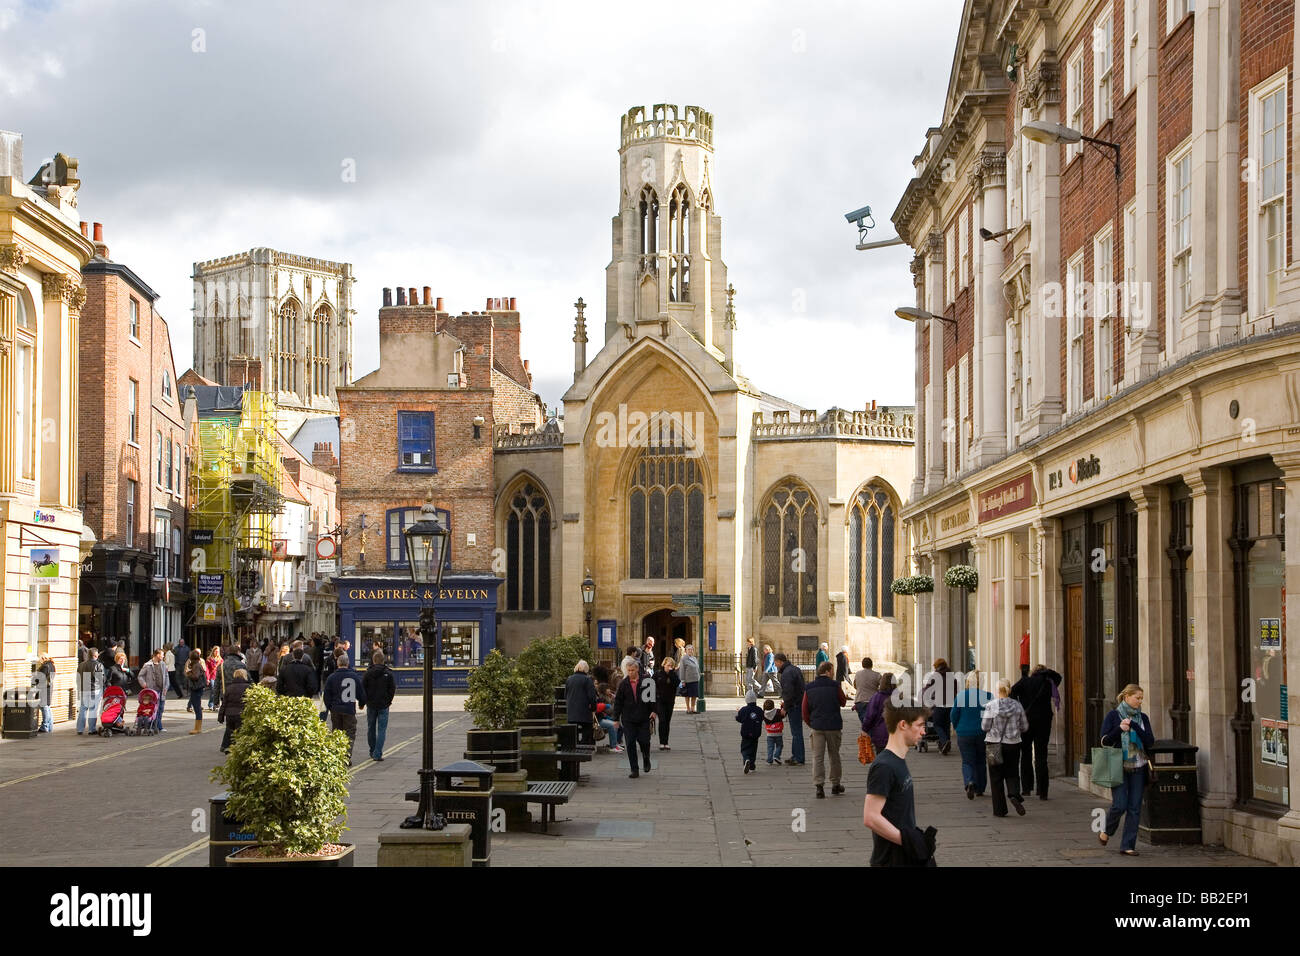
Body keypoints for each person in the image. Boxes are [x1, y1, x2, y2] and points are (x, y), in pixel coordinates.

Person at [863, 700, 936, 867]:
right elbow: (870, 817)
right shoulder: (884, 766)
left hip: (904, 855)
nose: (924, 732)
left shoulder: (898, 760)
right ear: (903, 725)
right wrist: (909, 842)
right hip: (891, 859)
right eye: (920, 725)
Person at [1099, 684, 1155, 856]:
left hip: (1139, 766)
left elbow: (1150, 741)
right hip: (1118, 766)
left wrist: (1134, 726)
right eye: (1137, 697)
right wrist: (1119, 729)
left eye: (1141, 698)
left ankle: (1128, 845)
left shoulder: (1143, 718)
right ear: (1126, 697)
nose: (1140, 701)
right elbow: (1104, 741)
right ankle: (1107, 830)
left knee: (1135, 807)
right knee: (1120, 805)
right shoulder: (1113, 716)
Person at [1011, 663, 1063, 799]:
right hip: (1043, 722)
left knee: (1026, 753)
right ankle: (1042, 791)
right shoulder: (1048, 682)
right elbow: (1058, 676)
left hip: (1026, 721)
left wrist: (1019, 706)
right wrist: (1046, 672)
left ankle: (1027, 788)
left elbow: (1012, 692)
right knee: (1041, 755)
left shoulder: (1025, 682)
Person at [981, 678, 1030, 818]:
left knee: (996, 777)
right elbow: (1025, 726)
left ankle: (1000, 809)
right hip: (1013, 744)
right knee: (1012, 772)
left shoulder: (991, 706)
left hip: (993, 744)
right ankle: (1014, 794)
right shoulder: (1017, 705)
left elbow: (984, 727)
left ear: (997, 691)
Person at [803, 660, 847, 798]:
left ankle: (819, 786)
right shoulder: (835, 685)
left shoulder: (809, 688)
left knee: (818, 757)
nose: (833, 673)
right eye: (832, 671)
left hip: (817, 726)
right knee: (834, 755)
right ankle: (835, 784)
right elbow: (843, 701)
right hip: (833, 726)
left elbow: (804, 710)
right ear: (828, 671)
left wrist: (812, 723)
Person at [949, 670, 993, 799]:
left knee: (967, 761)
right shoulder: (988, 696)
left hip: (964, 733)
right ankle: (980, 788)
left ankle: (969, 781)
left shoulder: (961, 696)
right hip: (982, 733)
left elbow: (954, 714)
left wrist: (957, 727)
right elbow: (991, 715)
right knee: (980, 760)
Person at [612, 659, 655, 778]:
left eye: (632, 670)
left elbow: (652, 698)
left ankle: (646, 757)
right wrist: (615, 719)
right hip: (628, 718)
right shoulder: (623, 684)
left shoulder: (646, 681)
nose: (630, 672)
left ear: (637, 669)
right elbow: (618, 702)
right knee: (630, 743)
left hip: (643, 717)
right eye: (628, 670)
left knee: (644, 741)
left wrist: (654, 711)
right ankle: (634, 769)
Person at [323, 654, 367, 765]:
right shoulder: (354, 677)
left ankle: (337, 756)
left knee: (337, 732)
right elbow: (361, 693)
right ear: (347, 663)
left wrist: (330, 707)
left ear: (338, 663)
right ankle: (346, 757)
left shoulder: (332, 677)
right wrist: (361, 703)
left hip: (336, 709)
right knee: (350, 733)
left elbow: (326, 695)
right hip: (349, 709)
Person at [363, 649, 397, 761]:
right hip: (383, 705)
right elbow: (392, 689)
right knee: (382, 729)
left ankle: (372, 751)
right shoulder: (388, 673)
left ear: (373, 660)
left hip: (371, 704)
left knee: (370, 728)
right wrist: (388, 701)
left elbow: (363, 689)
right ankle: (378, 753)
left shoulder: (367, 673)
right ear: (383, 661)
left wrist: (364, 702)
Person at [775, 653, 806, 765]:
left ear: (780, 661)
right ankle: (796, 755)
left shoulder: (787, 673)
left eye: (775, 662)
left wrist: (785, 707)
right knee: (796, 732)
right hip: (798, 702)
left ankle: (799, 757)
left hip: (794, 705)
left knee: (796, 732)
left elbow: (788, 692)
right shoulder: (794, 669)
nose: (775, 665)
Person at [920, 658, 953, 755]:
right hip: (950, 704)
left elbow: (927, 690)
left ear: (936, 666)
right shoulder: (951, 676)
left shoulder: (934, 676)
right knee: (946, 725)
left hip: (938, 704)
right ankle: (946, 745)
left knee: (937, 724)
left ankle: (944, 741)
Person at [860, 672, 895, 755]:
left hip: (880, 735)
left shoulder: (877, 697)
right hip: (896, 735)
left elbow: (870, 716)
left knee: (881, 759)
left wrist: (865, 729)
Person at [565, 660, 598, 746]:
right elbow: (592, 696)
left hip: (571, 711)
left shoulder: (569, 679)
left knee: (573, 729)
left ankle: (574, 745)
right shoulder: (587, 680)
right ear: (586, 669)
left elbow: (566, 695)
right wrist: (594, 708)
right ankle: (583, 745)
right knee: (587, 727)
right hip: (584, 711)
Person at [218, 667, 251, 753]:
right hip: (241, 713)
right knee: (239, 732)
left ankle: (228, 747)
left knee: (230, 731)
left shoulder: (229, 688)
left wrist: (220, 716)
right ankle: (236, 749)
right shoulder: (248, 687)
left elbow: (224, 704)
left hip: (229, 714)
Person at [137, 648, 169, 732]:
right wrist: (144, 684)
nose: (163, 656)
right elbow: (140, 676)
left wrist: (166, 687)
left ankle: (158, 726)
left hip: (162, 691)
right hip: (152, 692)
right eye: (162, 654)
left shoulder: (163, 664)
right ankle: (155, 726)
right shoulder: (148, 665)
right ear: (157, 655)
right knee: (154, 709)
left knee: (161, 709)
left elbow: (166, 676)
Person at [76, 650, 105, 734]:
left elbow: (78, 678)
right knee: (93, 710)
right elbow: (101, 679)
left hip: (83, 689)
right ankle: (91, 729)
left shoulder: (81, 665)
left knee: (83, 709)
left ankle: (80, 729)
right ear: (96, 655)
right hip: (94, 689)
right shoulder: (98, 665)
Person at [653, 657, 678, 750]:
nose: (669, 667)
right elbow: (651, 685)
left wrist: (671, 674)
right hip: (659, 700)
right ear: (664, 665)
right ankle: (661, 742)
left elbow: (677, 684)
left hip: (670, 701)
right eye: (668, 665)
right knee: (662, 720)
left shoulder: (673, 675)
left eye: (671, 666)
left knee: (667, 722)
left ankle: (666, 742)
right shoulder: (658, 674)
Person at [736, 690, 765, 773]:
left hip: (746, 733)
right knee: (753, 749)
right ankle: (752, 765)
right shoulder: (759, 710)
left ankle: (746, 759)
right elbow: (762, 717)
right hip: (756, 733)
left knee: (744, 748)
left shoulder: (743, 710)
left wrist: (737, 715)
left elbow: (739, 719)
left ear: (746, 700)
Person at [595, 682, 622, 753]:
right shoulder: (602, 698)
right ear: (604, 690)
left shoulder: (605, 696)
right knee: (613, 725)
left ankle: (615, 744)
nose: (609, 690)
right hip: (599, 719)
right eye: (608, 689)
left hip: (603, 717)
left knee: (616, 724)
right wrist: (613, 701)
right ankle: (613, 746)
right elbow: (609, 710)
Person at [185, 650, 208, 734]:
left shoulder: (196, 666)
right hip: (197, 688)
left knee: (197, 707)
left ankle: (197, 728)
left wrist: (189, 674)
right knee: (197, 706)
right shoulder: (197, 665)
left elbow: (196, 676)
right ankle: (197, 727)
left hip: (196, 688)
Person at [33, 654, 55, 733]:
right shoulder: (52, 665)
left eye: (40, 660)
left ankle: (45, 726)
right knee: (48, 707)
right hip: (49, 688)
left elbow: (40, 678)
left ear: (43, 658)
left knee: (44, 707)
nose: (40, 661)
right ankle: (50, 726)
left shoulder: (45, 666)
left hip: (43, 689)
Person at [852, 656, 878, 721]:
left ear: (862, 665)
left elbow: (855, 686)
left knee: (864, 722)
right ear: (871, 665)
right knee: (872, 722)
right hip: (873, 700)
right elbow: (883, 687)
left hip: (860, 700)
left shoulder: (857, 674)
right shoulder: (877, 675)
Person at [678, 643, 700, 714]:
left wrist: (699, 676)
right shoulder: (683, 659)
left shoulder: (694, 658)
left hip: (695, 679)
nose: (690, 651)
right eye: (689, 649)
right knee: (687, 695)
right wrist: (682, 680)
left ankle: (693, 708)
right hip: (688, 680)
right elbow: (682, 670)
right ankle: (688, 709)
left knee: (694, 695)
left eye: (691, 649)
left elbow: (697, 668)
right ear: (686, 651)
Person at [762, 699, 785, 764]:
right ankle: (777, 756)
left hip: (769, 734)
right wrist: (782, 706)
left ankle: (769, 760)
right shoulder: (777, 711)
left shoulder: (764, 713)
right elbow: (783, 714)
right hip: (778, 733)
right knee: (779, 745)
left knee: (770, 747)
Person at [204, 646, 222, 711]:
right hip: (212, 677)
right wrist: (207, 678)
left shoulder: (221, 660)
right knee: (213, 690)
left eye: (218, 651)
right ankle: (211, 704)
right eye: (216, 651)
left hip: (218, 677)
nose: (217, 652)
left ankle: (216, 704)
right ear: (213, 651)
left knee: (217, 691)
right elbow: (207, 669)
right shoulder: (209, 659)